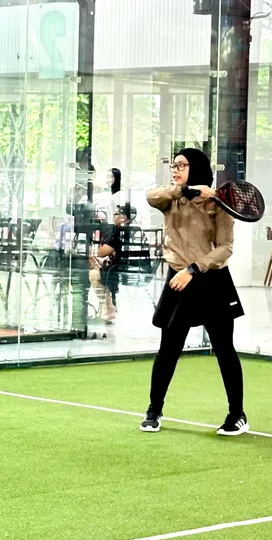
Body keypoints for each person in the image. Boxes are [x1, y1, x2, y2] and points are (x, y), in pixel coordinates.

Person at [140, 148, 248, 436]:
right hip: (178, 280)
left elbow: (225, 248)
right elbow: (151, 196)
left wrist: (193, 269)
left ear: (196, 168)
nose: (175, 170)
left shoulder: (218, 204)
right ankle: (154, 410)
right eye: (173, 165)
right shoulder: (170, 199)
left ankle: (237, 414)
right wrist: (184, 190)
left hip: (211, 280)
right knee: (168, 349)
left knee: (224, 349)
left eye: (182, 165)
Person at [89, 203, 135, 322]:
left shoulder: (117, 232)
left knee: (93, 274)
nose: (114, 216)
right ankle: (107, 307)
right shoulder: (131, 231)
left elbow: (101, 252)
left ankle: (108, 307)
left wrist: (96, 250)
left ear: (123, 217)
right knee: (93, 263)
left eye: (116, 214)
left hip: (116, 270)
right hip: (123, 267)